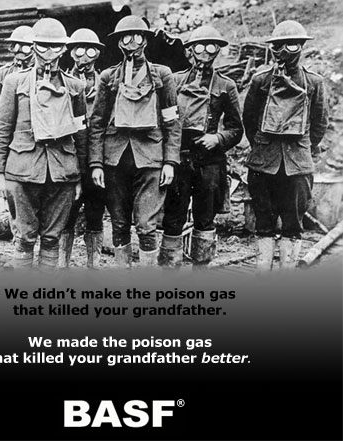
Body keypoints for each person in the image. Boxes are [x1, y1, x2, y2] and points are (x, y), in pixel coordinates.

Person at [0, 18, 87, 269]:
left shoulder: (75, 86)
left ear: (64, 49)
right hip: (22, 170)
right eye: (43, 46)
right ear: (33, 46)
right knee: (24, 238)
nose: (49, 52)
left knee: (52, 237)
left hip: (61, 173)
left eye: (55, 47)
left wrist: (79, 177)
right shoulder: (15, 82)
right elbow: (2, 128)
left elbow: (81, 134)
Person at [89, 15, 181, 268]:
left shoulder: (162, 74)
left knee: (146, 225)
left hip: (150, 158)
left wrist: (170, 162)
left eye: (137, 37)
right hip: (115, 160)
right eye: (126, 38)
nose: (131, 43)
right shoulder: (108, 77)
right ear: (119, 42)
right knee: (119, 223)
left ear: (145, 40)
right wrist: (96, 164)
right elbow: (97, 122)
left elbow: (172, 121)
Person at [243, 20, 328, 270]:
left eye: (292, 45)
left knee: (293, 226)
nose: (284, 51)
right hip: (263, 164)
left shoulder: (314, 82)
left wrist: (301, 148)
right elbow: (250, 120)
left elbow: (319, 123)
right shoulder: (260, 81)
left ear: (301, 47)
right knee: (264, 224)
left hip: (297, 166)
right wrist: (263, 146)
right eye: (278, 46)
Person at [160, 25, 243, 267]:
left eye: (211, 47)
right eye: (199, 47)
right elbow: (163, 120)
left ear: (218, 50)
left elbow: (236, 128)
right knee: (172, 218)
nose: (204, 52)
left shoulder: (226, 86)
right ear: (190, 50)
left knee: (205, 219)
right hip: (179, 157)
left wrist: (217, 138)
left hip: (209, 161)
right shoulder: (174, 81)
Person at [59, 28, 106, 269]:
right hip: (69, 159)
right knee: (66, 213)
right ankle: (62, 265)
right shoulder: (61, 82)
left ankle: (93, 265)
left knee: (95, 213)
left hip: (97, 160)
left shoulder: (106, 83)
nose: (84, 57)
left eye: (90, 51)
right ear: (71, 53)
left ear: (97, 53)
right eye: (78, 50)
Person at [0, 25, 35, 166]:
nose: (20, 50)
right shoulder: (2, 74)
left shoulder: (40, 75)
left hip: (31, 140)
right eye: (16, 46)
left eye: (25, 47)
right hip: (6, 138)